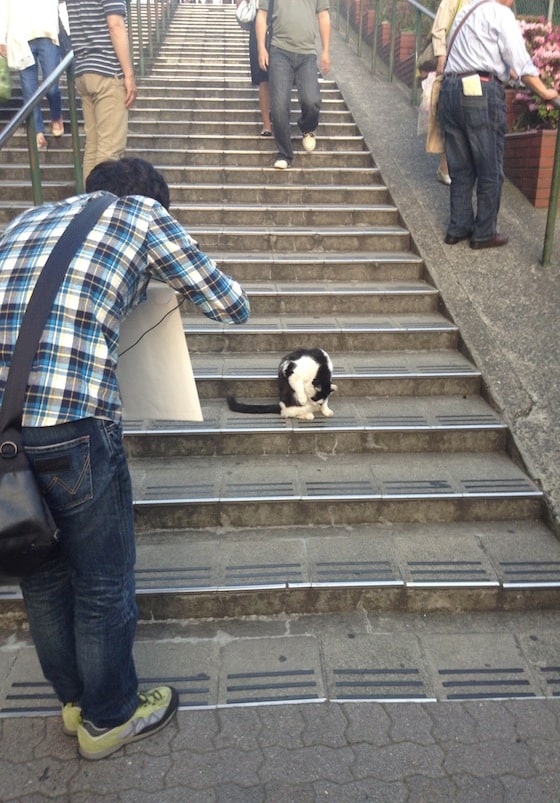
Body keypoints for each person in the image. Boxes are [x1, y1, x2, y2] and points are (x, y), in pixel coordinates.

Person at [0, 157, 250, 760]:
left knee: (40, 569)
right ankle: (109, 717)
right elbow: (230, 302)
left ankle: (73, 703)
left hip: (4, 432)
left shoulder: (26, 218)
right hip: (75, 425)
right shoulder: (142, 215)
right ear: (153, 200)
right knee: (104, 579)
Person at [438, 0, 558, 249]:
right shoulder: (500, 13)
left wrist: (505, 73)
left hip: (449, 90)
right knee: (490, 167)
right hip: (479, 93)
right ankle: (483, 233)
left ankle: (457, 227)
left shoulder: (467, 11)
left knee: (460, 169)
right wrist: (543, 91)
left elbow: (474, 54)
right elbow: (521, 63)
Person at [65, 0, 137, 180]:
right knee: (109, 151)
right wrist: (128, 74)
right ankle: (102, 206)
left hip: (84, 70)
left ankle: (90, 203)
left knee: (93, 147)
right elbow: (115, 25)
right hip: (107, 69)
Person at [256, 0, 330, 170]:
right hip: (279, 50)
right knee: (279, 106)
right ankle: (284, 154)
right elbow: (262, 14)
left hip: (307, 54)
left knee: (311, 100)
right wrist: (261, 47)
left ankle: (307, 127)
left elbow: (323, 15)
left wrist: (326, 50)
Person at [0, 0, 64, 151]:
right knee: (29, 89)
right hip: (20, 36)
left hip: (47, 32)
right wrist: (1, 37)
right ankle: (37, 131)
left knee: (52, 86)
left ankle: (56, 116)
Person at [429, 0, 472, 184]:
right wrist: (441, 58)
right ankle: (446, 166)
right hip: (453, 65)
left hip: (475, 67)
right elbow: (439, 28)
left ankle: (457, 167)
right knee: (451, 116)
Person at [236, 0, 271, 135]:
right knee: (263, 77)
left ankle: (276, 115)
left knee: (280, 76)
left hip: (281, 20)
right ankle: (266, 123)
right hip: (259, 20)